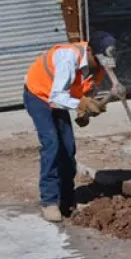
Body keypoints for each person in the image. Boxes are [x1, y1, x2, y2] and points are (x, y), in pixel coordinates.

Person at [23, 31, 122, 223]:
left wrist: (86, 110)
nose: (103, 67)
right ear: (91, 52)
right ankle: (50, 202)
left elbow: (84, 91)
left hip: (58, 97)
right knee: (52, 142)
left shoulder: (98, 66)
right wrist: (80, 105)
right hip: (39, 95)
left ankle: (67, 200)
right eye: (100, 61)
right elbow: (56, 97)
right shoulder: (68, 58)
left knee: (68, 148)